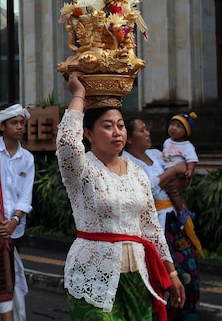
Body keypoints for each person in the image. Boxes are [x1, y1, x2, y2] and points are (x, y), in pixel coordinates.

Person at [57, 71, 184, 320]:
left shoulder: (137, 173)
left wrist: (171, 273)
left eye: (120, 125)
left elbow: (151, 228)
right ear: (89, 134)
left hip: (137, 275)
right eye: (107, 126)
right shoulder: (82, 170)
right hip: (91, 274)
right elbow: (67, 145)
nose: (117, 132)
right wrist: (79, 95)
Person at [123, 117, 201, 320]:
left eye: (147, 128)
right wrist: (172, 172)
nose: (148, 132)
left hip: (176, 220)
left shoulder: (156, 154)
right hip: (155, 226)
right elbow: (146, 188)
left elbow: (182, 167)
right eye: (142, 130)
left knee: (190, 276)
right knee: (162, 278)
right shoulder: (127, 162)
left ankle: (186, 313)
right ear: (130, 138)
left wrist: (179, 181)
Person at [0, 104, 34, 321]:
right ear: (1, 126)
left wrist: (14, 221)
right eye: (14, 123)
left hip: (16, 228)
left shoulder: (27, 158)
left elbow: (26, 195)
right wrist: (1, 224)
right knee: (4, 281)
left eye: (22, 122)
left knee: (3, 275)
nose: (20, 127)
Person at [161, 112, 199, 226]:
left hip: (180, 174)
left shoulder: (187, 146)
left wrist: (190, 171)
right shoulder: (167, 142)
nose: (174, 128)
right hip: (169, 171)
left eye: (179, 126)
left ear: (186, 132)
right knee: (176, 194)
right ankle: (185, 210)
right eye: (172, 124)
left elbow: (192, 160)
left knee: (173, 192)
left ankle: (181, 212)